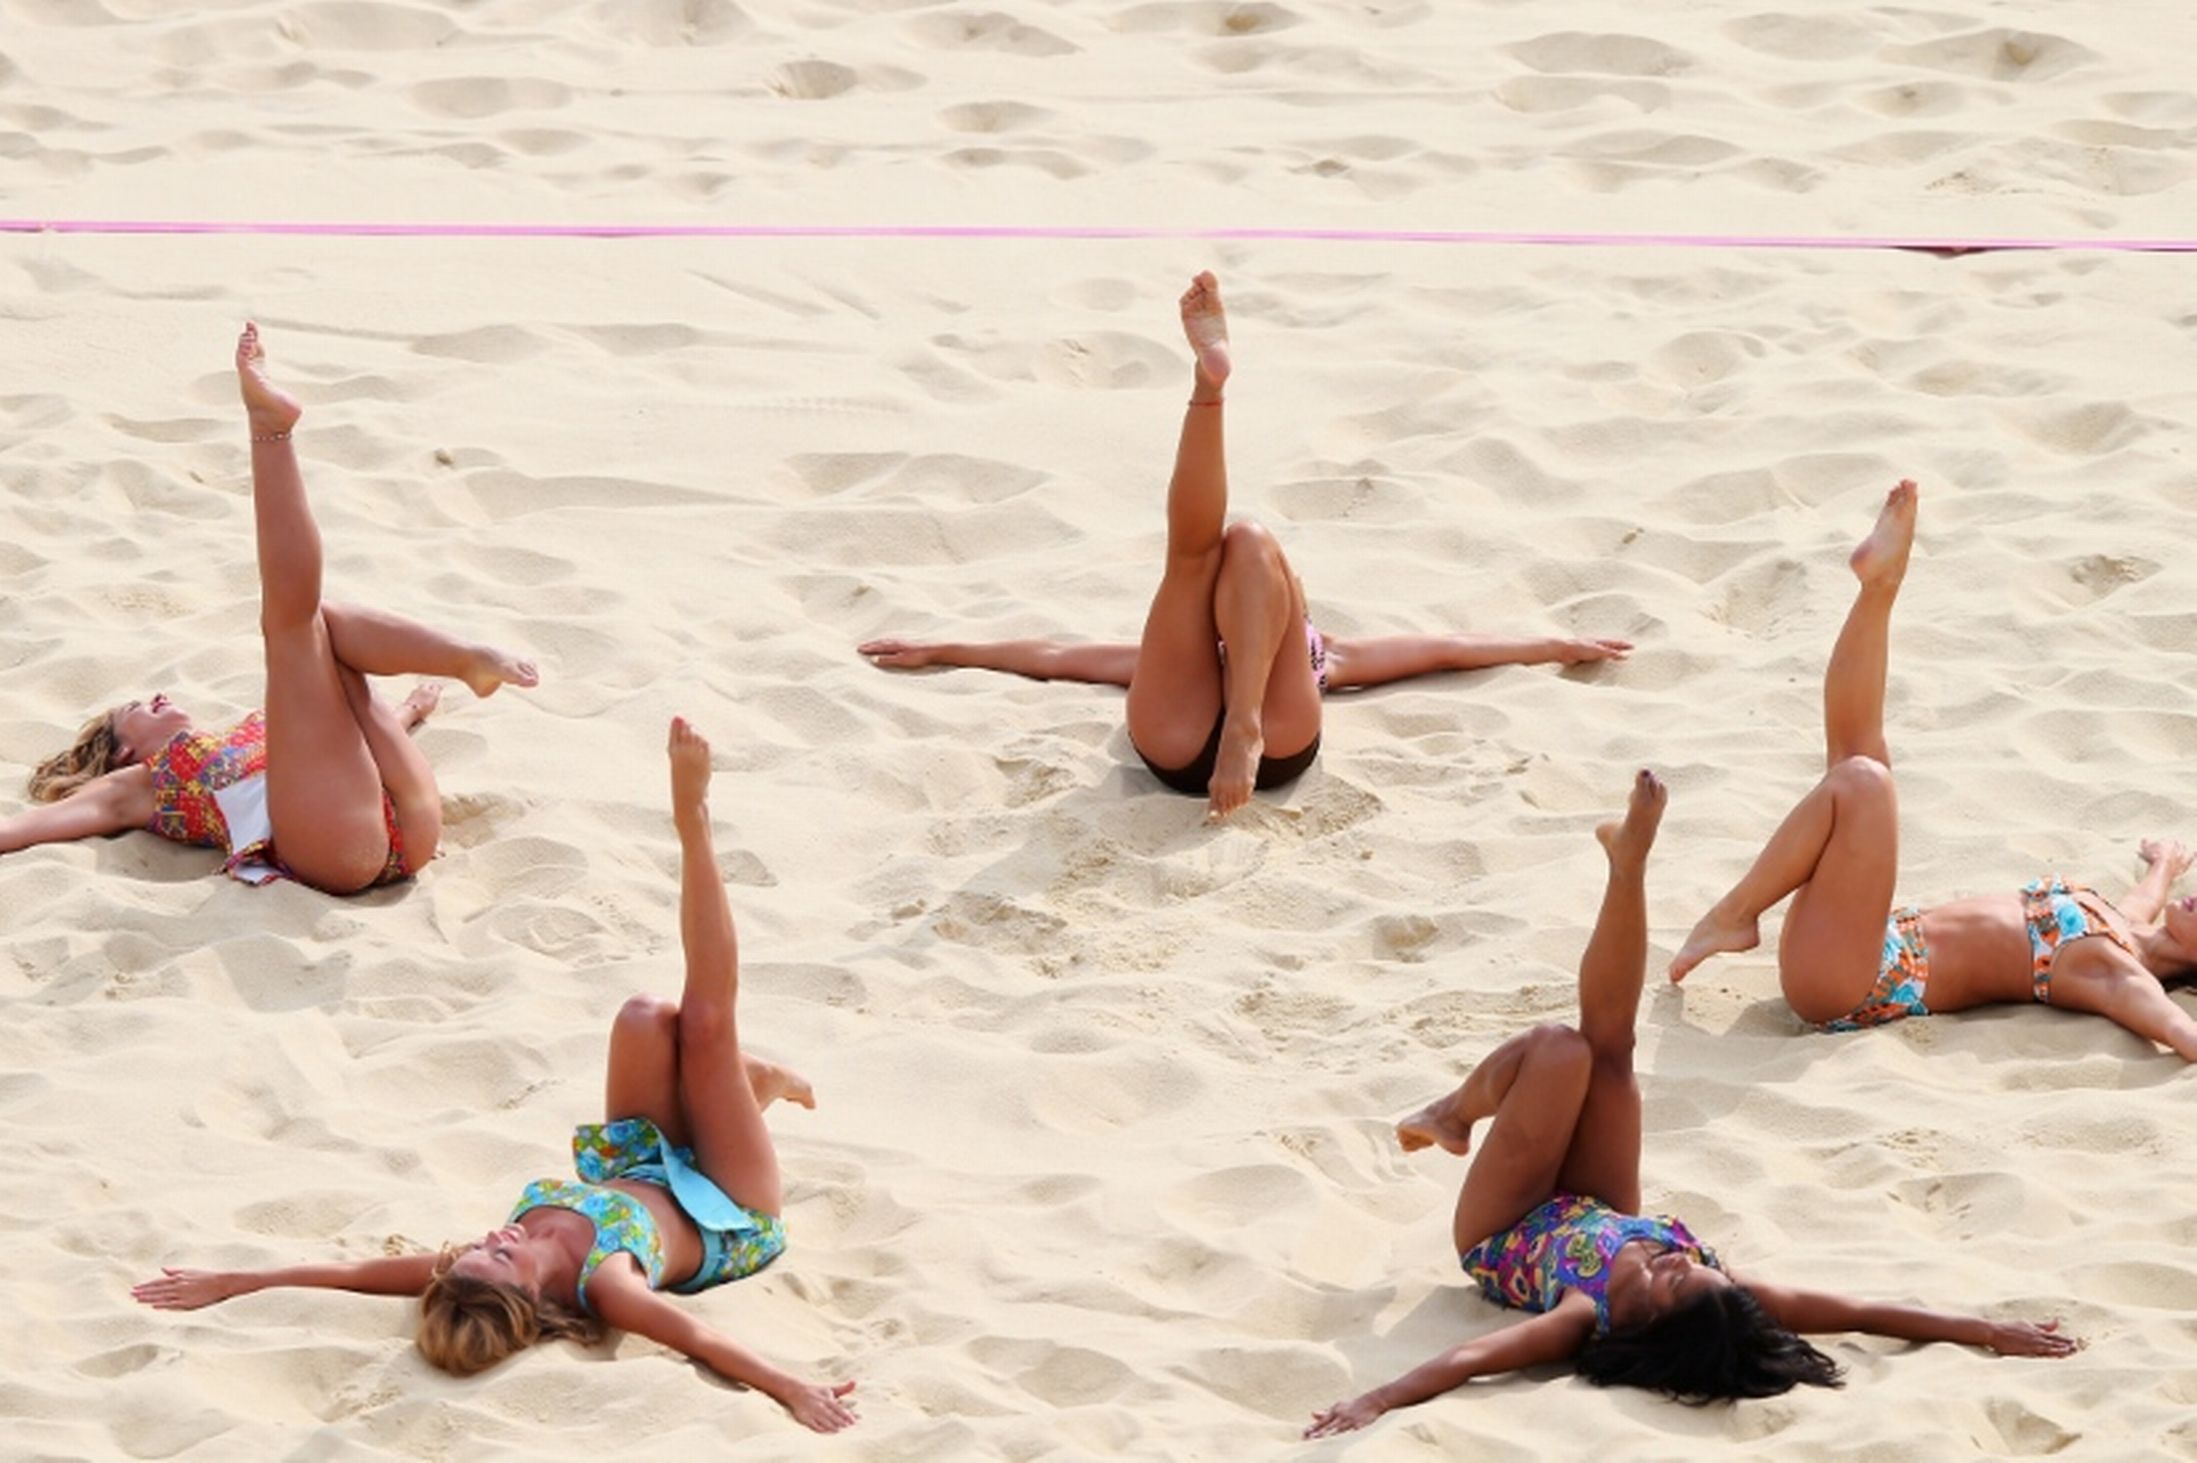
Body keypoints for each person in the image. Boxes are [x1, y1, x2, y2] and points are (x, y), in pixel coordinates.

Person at [133, 718, 859, 1434]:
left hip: (645, 1163)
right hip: (728, 1206)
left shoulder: (477, 1261)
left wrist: (236, 1281)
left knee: (643, 1017)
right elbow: (701, 1341)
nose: (488, 1240)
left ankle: (740, 1086)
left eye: (474, 1252)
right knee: (702, 1024)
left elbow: (353, 1273)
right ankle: (693, 824)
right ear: (530, 1301)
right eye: (497, 1258)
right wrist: (793, 1388)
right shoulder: (606, 1284)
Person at [1304, 770, 2075, 1438]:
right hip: (1600, 1202)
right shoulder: (1715, 1284)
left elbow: (1472, 1358)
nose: (1675, 1257)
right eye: (1690, 1266)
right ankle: (1627, 864)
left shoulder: (1581, 1313)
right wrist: (1982, 1328)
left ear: (1643, 1323)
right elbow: (1862, 1311)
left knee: (1556, 1047)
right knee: (1610, 1050)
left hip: (1506, 1225)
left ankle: (1456, 1112)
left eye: (1669, 1278)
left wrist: (1375, 1399)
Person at [857, 272, 1632, 820]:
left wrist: (942, 647)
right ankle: (1247, 721)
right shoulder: (1327, 658)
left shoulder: (1174, 657)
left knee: (1192, 557)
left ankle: (1209, 390)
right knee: (1247, 538)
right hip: (1277, 740)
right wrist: (1551, 643)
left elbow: (1055, 656)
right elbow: (1451, 649)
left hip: (1169, 742)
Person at [1, 324, 538, 893]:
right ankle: (270, 433)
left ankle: (465, 659)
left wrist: (409, 711)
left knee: (318, 626)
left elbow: (329, 742)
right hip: (333, 848)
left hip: (395, 807)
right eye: (136, 706)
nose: (158, 696)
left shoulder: (244, 737)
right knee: (292, 625)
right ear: (123, 748)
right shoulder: (137, 784)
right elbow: (29, 827)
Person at [1669, 482, 2197, 1056]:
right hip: (1862, 941)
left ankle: (1736, 915)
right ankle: (1880, 587)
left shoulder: (2120, 974)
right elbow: (2146, 898)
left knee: (1864, 783)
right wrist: (2164, 864)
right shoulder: (2128, 923)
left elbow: (2177, 1031)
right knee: (1858, 754)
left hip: (1856, 984)